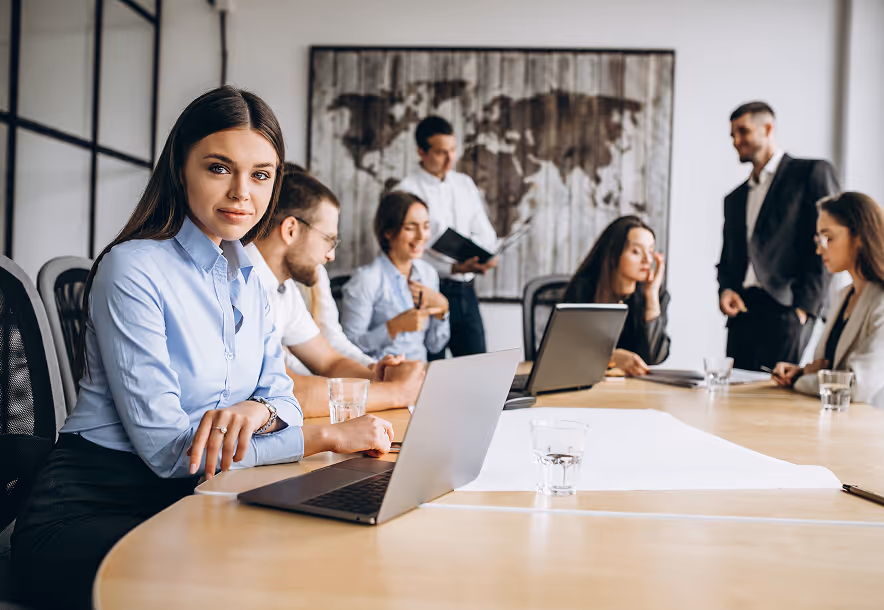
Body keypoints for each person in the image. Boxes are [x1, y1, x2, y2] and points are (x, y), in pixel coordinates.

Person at [11, 87, 393, 610]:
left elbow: (279, 395)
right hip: (91, 512)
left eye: (260, 175)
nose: (242, 193)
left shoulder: (251, 282)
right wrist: (323, 435)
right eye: (219, 168)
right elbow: (173, 453)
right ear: (181, 168)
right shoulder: (133, 269)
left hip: (191, 502)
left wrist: (255, 410)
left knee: (327, 555)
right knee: (245, 584)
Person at [247, 164, 424, 417]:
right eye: (328, 240)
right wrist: (396, 392)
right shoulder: (239, 285)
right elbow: (283, 394)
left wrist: (377, 376)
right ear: (290, 230)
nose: (330, 256)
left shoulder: (283, 288)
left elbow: (329, 361)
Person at [717, 101, 840, 371]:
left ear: (768, 128)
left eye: (743, 131)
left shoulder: (811, 173)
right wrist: (726, 289)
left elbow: (829, 240)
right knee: (736, 401)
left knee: (778, 401)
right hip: (742, 314)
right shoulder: (735, 198)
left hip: (787, 310)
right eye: (733, 135)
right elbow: (728, 256)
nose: (736, 141)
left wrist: (805, 309)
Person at [395, 115, 497, 359]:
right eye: (441, 152)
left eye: (453, 150)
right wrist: (454, 266)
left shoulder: (465, 184)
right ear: (421, 152)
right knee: (433, 371)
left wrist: (484, 257)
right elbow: (406, 251)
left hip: (467, 292)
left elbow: (486, 233)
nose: (450, 158)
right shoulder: (405, 191)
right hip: (428, 291)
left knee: (478, 366)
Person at [773, 192, 884, 407]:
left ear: (860, 236)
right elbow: (830, 370)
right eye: (819, 239)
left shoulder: (881, 302)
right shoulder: (843, 295)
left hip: (869, 430)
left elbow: (856, 386)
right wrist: (804, 371)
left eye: (828, 238)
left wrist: (801, 380)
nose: (819, 249)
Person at [341, 191, 450, 361]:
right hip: (381, 377)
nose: (422, 236)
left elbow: (435, 345)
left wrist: (442, 310)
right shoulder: (366, 280)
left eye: (426, 226)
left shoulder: (429, 274)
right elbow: (347, 348)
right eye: (410, 228)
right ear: (388, 232)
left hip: (421, 374)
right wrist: (393, 327)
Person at [562, 215, 670, 376]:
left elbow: (654, 358)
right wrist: (609, 358)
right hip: (588, 388)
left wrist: (652, 295)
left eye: (650, 251)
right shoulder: (584, 289)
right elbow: (565, 352)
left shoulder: (654, 294)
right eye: (636, 251)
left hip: (635, 393)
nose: (647, 260)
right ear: (614, 254)